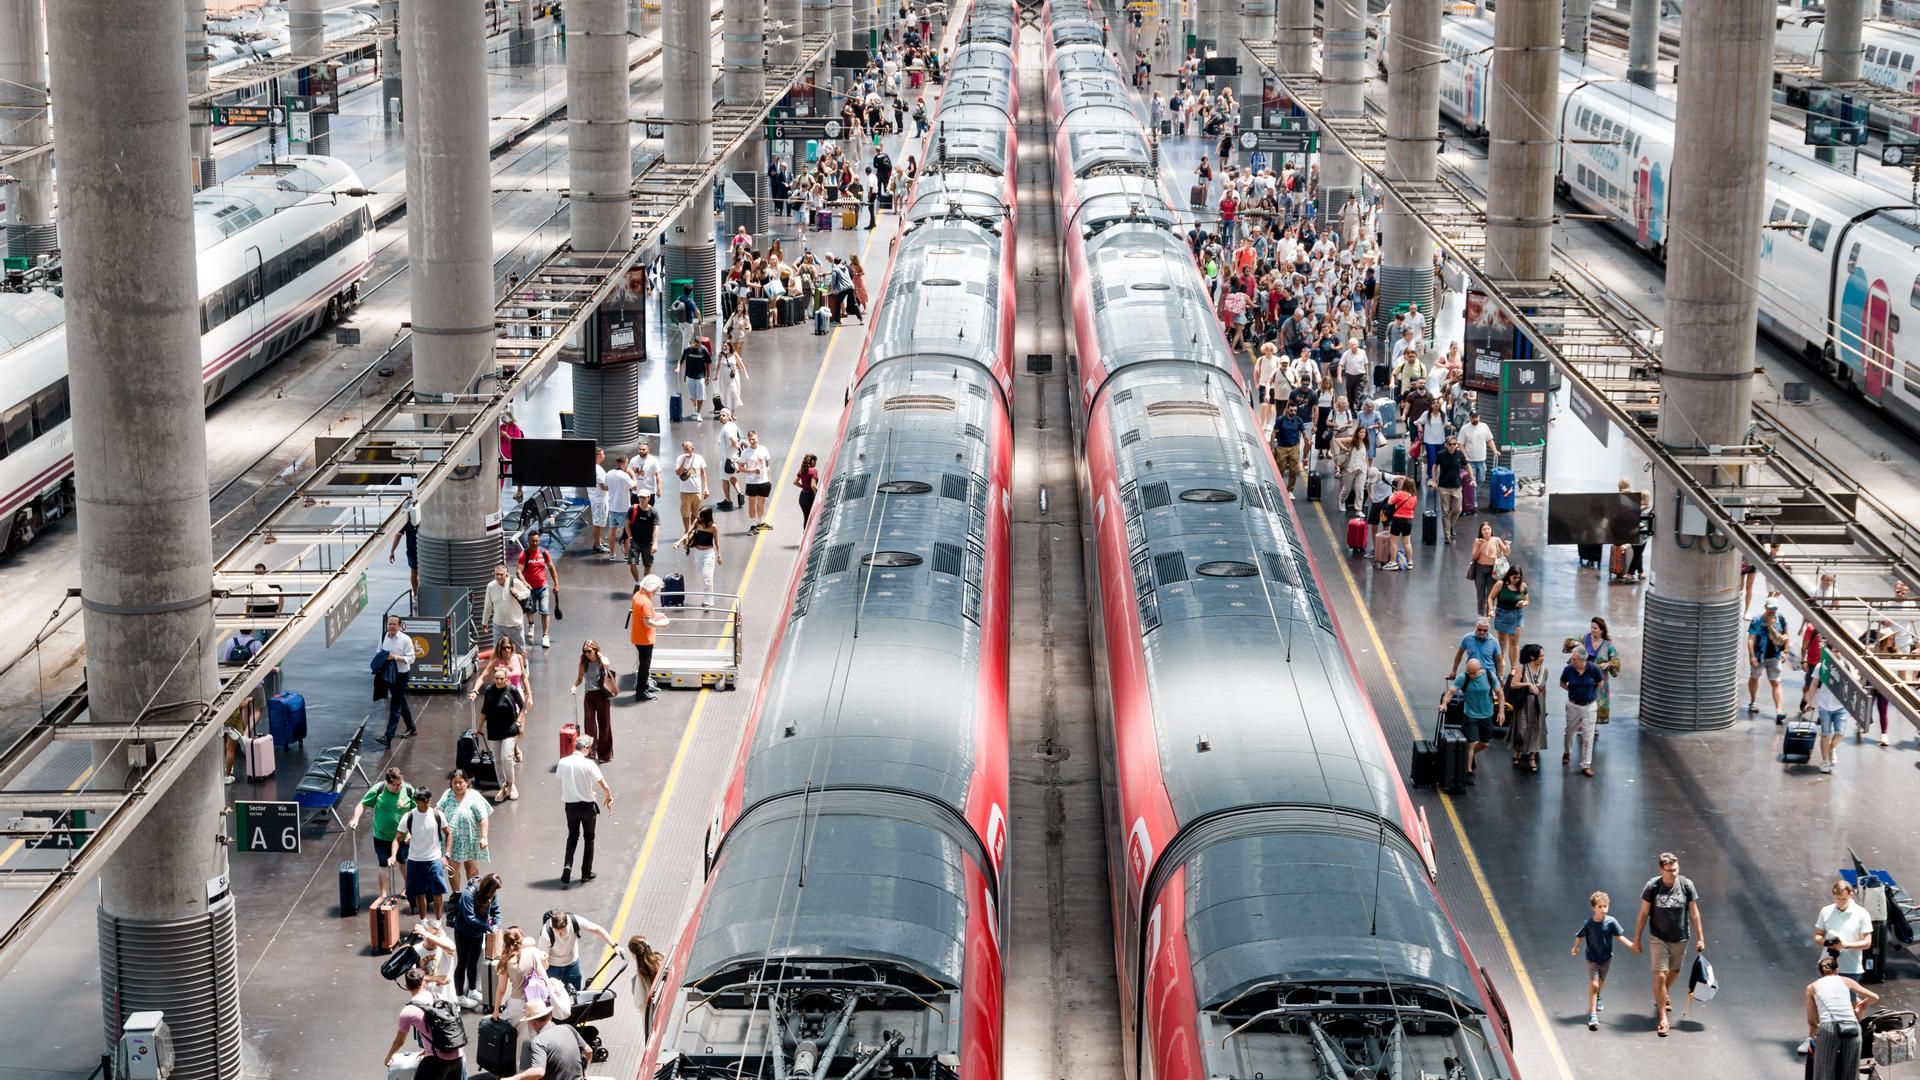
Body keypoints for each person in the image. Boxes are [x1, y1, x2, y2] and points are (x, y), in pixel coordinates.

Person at [1633, 852, 1706, 1037]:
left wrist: (1700, 937)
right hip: (1658, 938)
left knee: (1674, 972)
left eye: (1676, 869)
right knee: (1660, 976)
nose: (1674, 873)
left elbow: (1694, 912)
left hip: (1680, 938)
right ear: (1661, 870)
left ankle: (1662, 993)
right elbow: (1643, 913)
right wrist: (1637, 939)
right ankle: (1663, 1018)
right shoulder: (1653, 886)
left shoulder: (1686, 885)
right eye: (1669, 870)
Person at [383, 966, 467, 1079]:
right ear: (424, 983)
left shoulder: (408, 1011)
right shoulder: (440, 997)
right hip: (458, 1056)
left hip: (436, 1060)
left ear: (407, 987)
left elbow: (399, 1042)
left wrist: (389, 1056)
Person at [1573, 890, 1638, 1031]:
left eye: (1605, 906)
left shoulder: (1611, 922)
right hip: (1592, 958)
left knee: (1601, 982)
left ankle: (1597, 997)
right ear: (1593, 908)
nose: (1603, 909)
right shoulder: (1589, 924)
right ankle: (1593, 1015)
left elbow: (1619, 936)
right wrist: (1575, 947)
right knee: (1594, 984)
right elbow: (1579, 936)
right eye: (1599, 907)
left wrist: (1632, 946)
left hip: (1606, 958)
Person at [1804, 954, 1878, 1075]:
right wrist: (1862, 1006)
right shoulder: (1846, 981)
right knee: (1851, 1073)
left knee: (1824, 1071)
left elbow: (1812, 1021)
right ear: (1837, 970)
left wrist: (1812, 1036)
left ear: (1820, 972)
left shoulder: (1812, 987)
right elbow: (1874, 997)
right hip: (1852, 1026)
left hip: (1828, 1028)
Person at [557, 736, 614, 889]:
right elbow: (604, 785)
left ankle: (567, 865)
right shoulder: (589, 764)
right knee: (589, 838)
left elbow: (565, 780)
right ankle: (586, 872)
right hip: (587, 806)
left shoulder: (563, 762)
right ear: (586, 748)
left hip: (570, 806)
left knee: (572, 836)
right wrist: (608, 797)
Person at [350, 768, 414, 897]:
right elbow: (362, 804)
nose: (399, 787)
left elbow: (416, 810)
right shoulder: (378, 790)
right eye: (395, 785)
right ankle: (383, 894)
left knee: (404, 862)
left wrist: (411, 832)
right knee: (383, 864)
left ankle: (407, 887)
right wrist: (356, 819)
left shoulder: (408, 790)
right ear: (387, 783)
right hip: (381, 836)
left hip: (401, 837)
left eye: (400, 784)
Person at [394, 786, 452, 923]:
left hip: (434, 860)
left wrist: (446, 855)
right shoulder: (408, 817)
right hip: (415, 860)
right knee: (419, 894)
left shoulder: (437, 815)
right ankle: (423, 922)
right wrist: (392, 855)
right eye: (424, 801)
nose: (427, 804)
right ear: (417, 801)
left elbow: (448, 833)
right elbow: (397, 838)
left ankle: (438, 923)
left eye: (429, 800)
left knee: (437, 893)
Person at [1439, 658, 1501, 781]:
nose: (1471, 676)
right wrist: (1444, 704)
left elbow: (1500, 693)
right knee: (1471, 742)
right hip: (1470, 714)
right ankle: (1468, 771)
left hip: (1487, 714)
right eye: (1469, 672)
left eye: (1474, 673)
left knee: (1484, 743)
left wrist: (1502, 711)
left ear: (1480, 669)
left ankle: (1468, 755)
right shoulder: (1464, 677)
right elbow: (1451, 692)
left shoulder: (1489, 676)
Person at [449, 872, 503, 1011]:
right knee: (462, 963)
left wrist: (496, 925)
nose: (494, 894)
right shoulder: (468, 895)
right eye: (493, 890)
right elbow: (470, 918)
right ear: (486, 887)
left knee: (473, 962)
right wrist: (488, 927)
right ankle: (459, 996)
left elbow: (496, 911)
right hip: (463, 933)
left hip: (478, 933)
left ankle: (472, 990)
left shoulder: (492, 894)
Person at [503, 999, 589, 1080]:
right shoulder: (568, 1028)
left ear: (533, 1022)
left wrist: (512, 1078)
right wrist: (584, 1073)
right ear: (550, 1015)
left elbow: (539, 1072)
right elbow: (588, 1051)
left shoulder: (539, 1041)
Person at [475, 666, 526, 803]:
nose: (499, 681)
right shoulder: (489, 691)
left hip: (509, 730)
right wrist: (479, 727)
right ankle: (503, 786)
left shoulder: (512, 690)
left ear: (506, 679)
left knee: (506, 758)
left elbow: (523, 706)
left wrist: (518, 722)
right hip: (494, 730)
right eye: (497, 678)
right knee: (497, 760)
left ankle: (511, 785)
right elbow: (484, 710)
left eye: (501, 679)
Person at [437, 770, 493, 892]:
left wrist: (484, 837)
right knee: (453, 869)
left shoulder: (474, 796)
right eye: (455, 782)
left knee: (472, 869)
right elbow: (438, 811)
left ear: (467, 782)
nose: (457, 785)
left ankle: (473, 894)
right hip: (451, 841)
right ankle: (456, 895)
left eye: (460, 782)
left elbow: (483, 818)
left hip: (470, 839)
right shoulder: (448, 794)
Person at [537, 908, 616, 993]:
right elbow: (542, 960)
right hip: (553, 967)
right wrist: (545, 977)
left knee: (576, 993)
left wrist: (615, 946)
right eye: (557, 932)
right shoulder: (546, 933)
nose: (560, 935)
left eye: (562, 932)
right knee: (555, 994)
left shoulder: (574, 921)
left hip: (572, 963)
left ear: (568, 924)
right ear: (553, 927)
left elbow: (597, 930)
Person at [1560, 644, 1606, 777]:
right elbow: (1562, 683)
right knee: (1569, 732)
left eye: (1574, 659)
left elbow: (1600, 683)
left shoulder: (1593, 669)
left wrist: (1589, 692)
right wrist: (1573, 690)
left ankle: (1586, 764)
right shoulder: (1569, 669)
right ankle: (1567, 752)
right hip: (1573, 705)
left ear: (1582, 660)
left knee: (1588, 737)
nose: (1572, 660)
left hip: (1589, 706)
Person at [569, 640, 617, 762]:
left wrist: (599, 654)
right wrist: (575, 685)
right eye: (584, 651)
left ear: (595, 650)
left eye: (589, 651)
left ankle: (604, 755)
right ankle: (590, 753)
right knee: (589, 725)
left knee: (604, 725)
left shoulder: (601, 661)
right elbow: (580, 678)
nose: (587, 654)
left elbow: (607, 663)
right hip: (589, 695)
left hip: (602, 695)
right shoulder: (583, 662)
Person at [1571, 617, 1622, 724]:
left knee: (1597, 702)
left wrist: (1608, 664)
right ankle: (1583, 723)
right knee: (1582, 700)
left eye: (1595, 628)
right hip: (1584, 676)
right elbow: (1569, 642)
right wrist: (1577, 644)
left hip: (1600, 678)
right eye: (1591, 627)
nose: (1592, 630)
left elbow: (1616, 660)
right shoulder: (1585, 638)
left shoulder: (1608, 644)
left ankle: (1594, 725)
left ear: (1602, 630)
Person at [1748, 597, 1790, 723]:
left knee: (1776, 682)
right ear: (1765, 607)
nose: (1773, 610)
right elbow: (1751, 639)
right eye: (1771, 608)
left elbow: (1786, 636)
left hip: (1774, 655)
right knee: (1754, 677)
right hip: (1759, 655)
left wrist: (1786, 652)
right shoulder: (1757, 620)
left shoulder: (1780, 618)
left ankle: (1779, 710)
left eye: (1774, 608)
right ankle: (1753, 701)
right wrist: (1752, 656)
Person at [377, 614, 418, 743]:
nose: (391, 626)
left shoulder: (405, 640)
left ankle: (388, 736)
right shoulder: (383, 636)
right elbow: (379, 651)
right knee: (400, 701)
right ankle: (411, 728)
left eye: (394, 624)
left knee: (395, 705)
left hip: (401, 675)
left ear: (399, 626)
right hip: (389, 674)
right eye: (390, 624)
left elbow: (411, 659)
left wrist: (394, 657)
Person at [1507, 643, 1547, 771]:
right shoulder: (1522, 668)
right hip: (1524, 702)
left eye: (1543, 655)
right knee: (1521, 729)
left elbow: (1543, 688)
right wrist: (1528, 684)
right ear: (1532, 657)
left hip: (1538, 702)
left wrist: (1544, 704)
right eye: (1541, 656)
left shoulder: (1544, 670)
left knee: (1536, 729)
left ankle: (1532, 757)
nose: (1543, 658)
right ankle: (1518, 750)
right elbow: (1513, 684)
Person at [517, 530, 559, 650]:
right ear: (528, 541)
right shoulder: (524, 554)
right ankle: (531, 624)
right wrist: (525, 583)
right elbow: (518, 571)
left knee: (545, 610)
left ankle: (545, 636)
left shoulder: (544, 553)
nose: (534, 543)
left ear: (539, 541)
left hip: (543, 587)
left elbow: (551, 567)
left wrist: (556, 584)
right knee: (530, 610)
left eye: (536, 541)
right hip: (529, 588)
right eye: (532, 541)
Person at [1809, 655, 1850, 773]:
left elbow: (1852, 687)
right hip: (1824, 705)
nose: (1837, 652)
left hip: (1840, 705)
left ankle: (1831, 747)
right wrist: (1809, 701)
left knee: (1840, 733)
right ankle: (1825, 761)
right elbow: (1814, 684)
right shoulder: (1821, 666)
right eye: (1834, 649)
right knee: (1825, 734)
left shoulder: (1845, 665)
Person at [676, 505, 724, 607]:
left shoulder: (713, 527)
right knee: (700, 577)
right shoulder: (697, 522)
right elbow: (687, 533)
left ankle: (709, 601)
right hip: (698, 553)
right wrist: (678, 542)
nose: (698, 517)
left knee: (707, 577)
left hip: (708, 554)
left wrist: (719, 555)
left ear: (707, 516)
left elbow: (717, 542)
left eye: (701, 515)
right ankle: (706, 596)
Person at [482, 564, 532, 656]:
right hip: (498, 624)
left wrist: (518, 594)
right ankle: (500, 665)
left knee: (520, 652)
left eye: (501, 574)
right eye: (497, 574)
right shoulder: (491, 586)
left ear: (507, 574)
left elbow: (527, 592)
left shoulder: (515, 582)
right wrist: (484, 622)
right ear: (494, 574)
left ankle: (523, 665)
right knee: (497, 651)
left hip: (515, 624)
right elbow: (488, 605)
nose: (499, 577)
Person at [630, 577, 667, 703]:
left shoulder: (637, 595)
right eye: (656, 588)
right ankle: (641, 692)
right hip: (644, 639)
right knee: (644, 667)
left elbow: (644, 615)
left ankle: (645, 686)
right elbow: (648, 622)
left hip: (637, 636)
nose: (657, 591)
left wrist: (658, 615)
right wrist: (661, 624)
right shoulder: (646, 602)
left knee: (643, 665)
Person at [1488, 566, 1529, 674]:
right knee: (1502, 640)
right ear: (1509, 575)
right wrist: (1491, 610)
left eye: (1518, 577)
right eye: (1514, 577)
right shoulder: (1500, 584)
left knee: (1514, 641)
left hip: (1516, 614)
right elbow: (1491, 597)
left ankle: (1514, 667)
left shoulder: (1522, 585)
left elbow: (1526, 600)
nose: (1516, 580)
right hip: (1502, 614)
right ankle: (1500, 661)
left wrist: (1523, 603)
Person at [1430, 433, 1467, 541]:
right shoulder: (1441, 455)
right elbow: (1434, 467)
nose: (1452, 446)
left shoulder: (1459, 454)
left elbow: (1467, 465)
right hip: (1444, 487)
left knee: (1458, 509)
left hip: (1457, 486)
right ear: (1446, 445)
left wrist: (1472, 478)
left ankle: (1451, 525)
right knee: (1445, 511)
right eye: (1450, 444)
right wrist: (1434, 480)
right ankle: (1447, 535)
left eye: (1454, 444)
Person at [1467, 522, 1509, 615]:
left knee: (1491, 594)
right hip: (1480, 569)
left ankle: (1489, 614)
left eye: (1488, 529)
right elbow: (1474, 557)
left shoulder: (1496, 540)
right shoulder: (1477, 541)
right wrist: (1478, 546)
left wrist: (1507, 546)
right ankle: (1481, 615)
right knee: (1480, 594)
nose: (1486, 531)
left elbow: (1506, 553)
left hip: (1492, 570)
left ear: (1491, 530)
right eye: (1484, 529)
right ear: (1481, 531)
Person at [738, 430, 774, 534]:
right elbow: (740, 468)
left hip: (763, 481)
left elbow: (767, 465)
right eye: (750, 439)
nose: (752, 441)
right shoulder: (745, 452)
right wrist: (752, 470)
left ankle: (761, 522)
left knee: (761, 502)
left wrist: (769, 478)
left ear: (757, 438)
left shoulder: (764, 449)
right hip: (752, 482)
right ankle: (752, 525)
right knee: (752, 503)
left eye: (753, 439)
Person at [628, 935, 664, 1037]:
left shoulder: (639, 979)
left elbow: (640, 1004)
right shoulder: (662, 958)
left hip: (655, 1018)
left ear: (634, 955)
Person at [1449, 617, 1504, 683]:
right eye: (1479, 629)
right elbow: (1459, 654)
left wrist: (1500, 678)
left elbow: (1499, 660)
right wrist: (1454, 671)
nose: (1482, 632)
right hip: (1471, 674)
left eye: (1485, 630)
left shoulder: (1494, 641)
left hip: (1488, 675)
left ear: (1488, 630)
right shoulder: (1467, 638)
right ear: (1476, 628)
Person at [673, 440, 709, 534]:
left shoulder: (699, 458)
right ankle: (687, 530)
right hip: (685, 491)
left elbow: (703, 473)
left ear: (692, 449)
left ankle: (692, 530)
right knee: (685, 513)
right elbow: (677, 472)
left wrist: (706, 487)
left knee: (695, 513)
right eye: (684, 449)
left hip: (697, 490)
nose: (686, 451)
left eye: (687, 449)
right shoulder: (680, 458)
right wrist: (683, 461)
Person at [603, 456, 635, 561]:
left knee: (612, 530)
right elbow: (634, 486)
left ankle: (612, 554)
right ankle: (627, 555)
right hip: (624, 508)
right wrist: (633, 475)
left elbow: (606, 487)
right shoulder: (624, 475)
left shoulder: (609, 474)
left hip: (612, 507)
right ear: (625, 462)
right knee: (626, 532)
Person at [1272, 401, 1307, 495]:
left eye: (1295, 411)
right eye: (1291, 410)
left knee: (1294, 470)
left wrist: (1308, 439)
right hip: (1282, 448)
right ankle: (1279, 488)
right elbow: (1274, 433)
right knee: (1280, 470)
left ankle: (1290, 490)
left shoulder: (1298, 420)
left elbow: (1304, 432)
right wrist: (1272, 447)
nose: (1293, 412)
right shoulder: (1280, 419)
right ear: (1287, 409)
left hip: (1294, 448)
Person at [1459, 411, 1493, 507]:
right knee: (1472, 480)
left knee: (1481, 480)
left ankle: (1471, 495)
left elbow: (1489, 440)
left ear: (1479, 417)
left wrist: (1494, 450)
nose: (1475, 419)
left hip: (1481, 460)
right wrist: (1465, 455)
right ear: (1470, 418)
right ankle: (1473, 501)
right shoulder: (1465, 428)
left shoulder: (1484, 426)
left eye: (1476, 417)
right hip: (1470, 461)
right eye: (1473, 417)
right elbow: (1460, 444)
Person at [677, 332, 714, 421]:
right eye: (697, 344)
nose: (698, 346)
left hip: (700, 376)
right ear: (694, 342)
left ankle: (699, 413)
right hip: (689, 375)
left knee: (700, 396)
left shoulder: (704, 350)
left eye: (700, 344)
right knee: (692, 396)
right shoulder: (688, 349)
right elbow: (681, 360)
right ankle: (695, 405)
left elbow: (708, 363)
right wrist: (678, 368)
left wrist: (708, 377)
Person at [1386, 477, 1419, 571]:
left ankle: (1393, 562)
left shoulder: (1400, 494)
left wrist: (1393, 494)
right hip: (1409, 520)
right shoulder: (1414, 497)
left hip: (1397, 519)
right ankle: (1410, 562)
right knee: (1407, 542)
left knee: (1393, 542)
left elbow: (1390, 502)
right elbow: (1413, 509)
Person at [626, 493, 659, 583]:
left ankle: (645, 584)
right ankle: (637, 582)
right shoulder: (633, 509)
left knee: (647, 565)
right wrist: (630, 537)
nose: (642, 499)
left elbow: (656, 528)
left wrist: (655, 543)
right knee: (632, 563)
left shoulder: (653, 512)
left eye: (644, 497)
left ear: (648, 498)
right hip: (635, 541)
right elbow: (627, 524)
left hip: (648, 543)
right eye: (640, 497)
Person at [387, 516, 420, 596]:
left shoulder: (406, 518)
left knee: (414, 572)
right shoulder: (423, 514)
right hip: (425, 548)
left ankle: (416, 595)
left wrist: (392, 551)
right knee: (422, 573)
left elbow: (398, 535)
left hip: (412, 549)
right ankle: (419, 593)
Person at [587, 447, 610, 553]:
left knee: (598, 521)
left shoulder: (591, 467)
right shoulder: (598, 469)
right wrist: (615, 487)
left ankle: (599, 541)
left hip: (595, 497)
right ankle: (597, 545)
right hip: (599, 499)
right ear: (598, 455)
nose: (604, 456)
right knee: (597, 523)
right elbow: (604, 487)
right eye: (602, 454)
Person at [795, 453, 820, 528]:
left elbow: (795, 482)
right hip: (810, 497)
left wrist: (803, 486)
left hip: (802, 497)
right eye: (815, 461)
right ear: (812, 461)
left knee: (806, 517)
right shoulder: (813, 471)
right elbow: (813, 486)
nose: (815, 463)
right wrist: (818, 495)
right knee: (813, 517)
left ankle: (805, 532)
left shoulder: (802, 470)